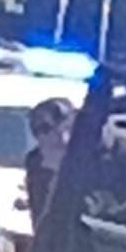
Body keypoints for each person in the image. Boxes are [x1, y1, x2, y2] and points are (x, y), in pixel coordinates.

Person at [25, 98, 75, 229]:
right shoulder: (36, 165)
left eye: (69, 129)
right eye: (50, 131)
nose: (63, 139)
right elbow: (40, 218)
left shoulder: (92, 161)